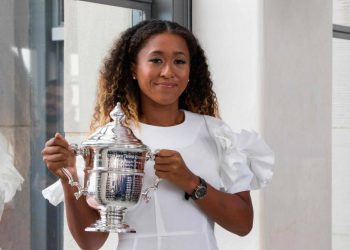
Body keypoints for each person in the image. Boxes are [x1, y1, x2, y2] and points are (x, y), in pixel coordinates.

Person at [41, 19, 274, 250]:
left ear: (190, 70)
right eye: (156, 60)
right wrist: (67, 175)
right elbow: (90, 242)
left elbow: (243, 224)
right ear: (133, 68)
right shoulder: (111, 140)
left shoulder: (216, 134)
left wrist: (191, 181)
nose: (168, 72)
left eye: (179, 61)